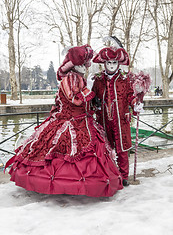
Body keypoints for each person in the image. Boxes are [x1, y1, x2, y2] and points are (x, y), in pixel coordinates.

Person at [6, 44, 123, 197]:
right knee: (63, 153)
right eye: (80, 64)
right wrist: (89, 90)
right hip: (69, 121)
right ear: (73, 65)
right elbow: (75, 99)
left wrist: (93, 98)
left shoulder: (79, 78)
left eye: (84, 64)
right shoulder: (70, 79)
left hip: (84, 121)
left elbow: (85, 101)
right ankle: (65, 186)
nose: (84, 67)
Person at [92, 37, 138, 187]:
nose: (111, 65)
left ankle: (124, 176)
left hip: (120, 121)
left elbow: (131, 95)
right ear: (104, 64)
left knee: (122, 150)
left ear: (118, 63)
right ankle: (110, 175)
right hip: (103, 120)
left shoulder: (125, 80)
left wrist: (135, 104)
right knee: (106, 149)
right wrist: (95, 102)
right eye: (108, 63)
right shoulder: (98, 80)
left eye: (114, 62)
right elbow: (92, 97)